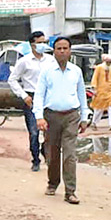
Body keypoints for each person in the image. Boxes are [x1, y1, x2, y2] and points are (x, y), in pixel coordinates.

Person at [33, 36, 90, 205]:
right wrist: (39, 117)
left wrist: (85, 116)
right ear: (54, 51)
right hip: (51, 117)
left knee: (70, 154)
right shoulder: (47, 71)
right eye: (59, 48)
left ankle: (70, 191)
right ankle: (53, 182)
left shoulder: (76, 71)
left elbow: (82, 94)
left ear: (70, 51)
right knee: (52, 153)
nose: (62, 51)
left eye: (65, 48)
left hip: (72, 116)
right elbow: (39, 95)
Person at [9, 31, 50, 172]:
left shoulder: (50, 60)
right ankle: (36, 159)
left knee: (50, 131)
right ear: (32, 45)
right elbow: (12, 79)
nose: (43, 45)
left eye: (45, 42)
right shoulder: (24, 62)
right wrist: (23, 95)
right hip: (31, 98)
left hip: (48, 98)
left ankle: (46, 150)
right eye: (40, 43)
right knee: (34, 131)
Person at [90, 54, 111, 130]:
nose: (109, 63)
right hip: (100, 91)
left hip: (110, 91)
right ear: (105, 61)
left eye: (110, 62)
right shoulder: (99, 68)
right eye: (108, 62)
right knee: (99, 109)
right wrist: (94, 89)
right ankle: (94, 123)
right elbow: (95, 78)